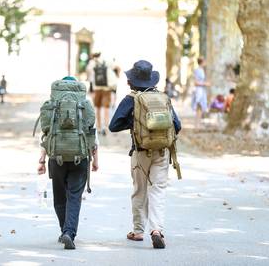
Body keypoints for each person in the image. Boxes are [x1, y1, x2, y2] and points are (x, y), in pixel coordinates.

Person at [109, 60, 181, 249]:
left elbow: (113, 125)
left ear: (132, 81)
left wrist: (134, 124)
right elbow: (177, 126)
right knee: (158, 190)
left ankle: (138, 231)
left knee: (139, 191)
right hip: (162, 151)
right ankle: (157, 230)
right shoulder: (163, 98)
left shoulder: (131, 99)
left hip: (140, 152)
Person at [36, 76, 99, 250]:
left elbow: (46, 133)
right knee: (74, 197)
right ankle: (69, 232)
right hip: (80, 156)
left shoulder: (53, 105)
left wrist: (42, 159)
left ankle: (64, 229)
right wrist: (96, 161)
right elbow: (92, 134)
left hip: (57, 157)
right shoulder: (84, 105)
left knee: (59, 197)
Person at [86, 52, 116, 136]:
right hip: (107, 88)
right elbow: (114, 67)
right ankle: (106, 127)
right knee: (106, 108)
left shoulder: (92, 62)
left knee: (97, 108)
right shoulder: (107, 61)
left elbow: (88, 72)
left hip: (97, 88)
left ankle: (98, 127)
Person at [191, 57, 210, 129]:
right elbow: (196, 83)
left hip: (202, 91)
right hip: (199, 91)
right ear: (202, 62)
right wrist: (205, 84)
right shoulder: (197, 70)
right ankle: (196, 125)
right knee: (198, 107)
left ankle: (198, 125)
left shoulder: (202, 70)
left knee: (200, 108)